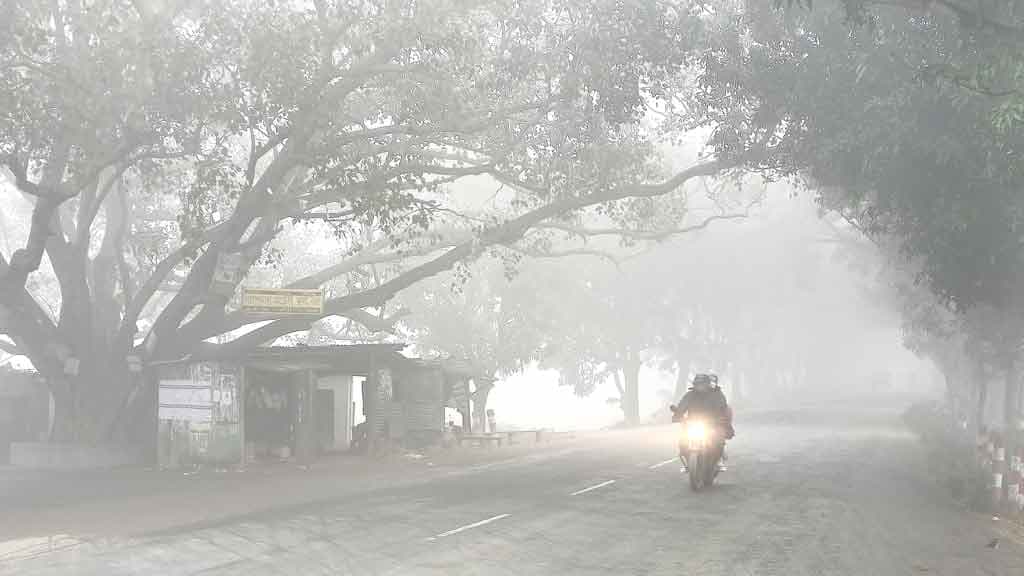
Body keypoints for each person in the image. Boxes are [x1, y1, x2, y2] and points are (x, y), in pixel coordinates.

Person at [673, 373, 734, 469]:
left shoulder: (716, 395)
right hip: (692, 424)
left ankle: (717, 460)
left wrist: (721, 418)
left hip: (712, 424)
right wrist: (678, 414)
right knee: (683, 442)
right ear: (694, 384)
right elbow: (682, 406)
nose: (700, 386)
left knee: (718, 441)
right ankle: (688, 462)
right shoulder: (690, 395)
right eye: (697, 384)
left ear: (707, 384)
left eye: (702, 384)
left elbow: (723, 407)